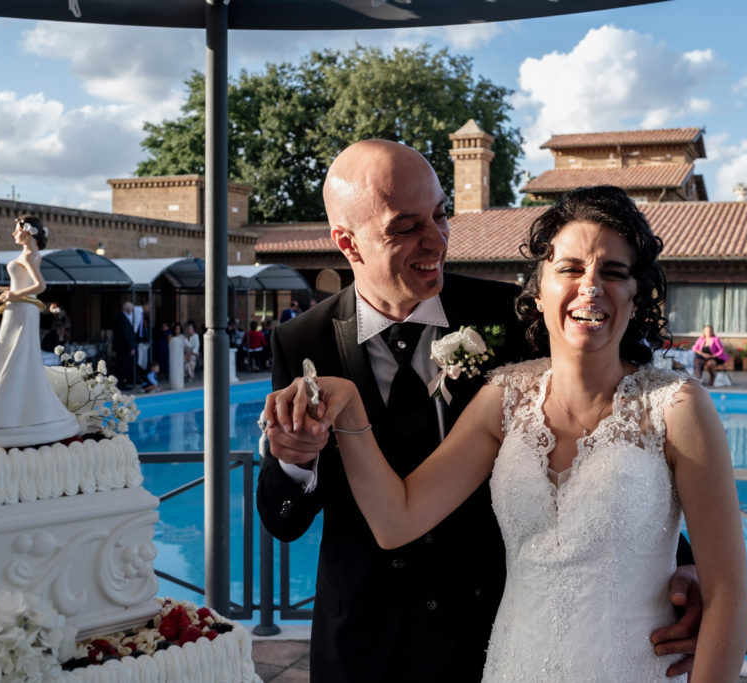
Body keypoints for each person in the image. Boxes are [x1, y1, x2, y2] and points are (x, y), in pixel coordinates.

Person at [256, 140, 702, 682]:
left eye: (441, 216)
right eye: (406, 227)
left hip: (494, 634)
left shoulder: (511, 315)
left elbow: (601, 431)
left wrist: (680, 562)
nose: (436, 240)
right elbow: (283, 521)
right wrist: (295, 463)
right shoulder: (301, 341)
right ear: (347, 242)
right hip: (362, 646)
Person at [0, 215, 79, 444]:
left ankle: (6, 410)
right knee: (8, 353)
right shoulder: (29, 254)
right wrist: (9, 296)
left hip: (22, 307)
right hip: (17, 308)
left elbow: (40, 286)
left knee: (11, 354)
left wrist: (12, 294)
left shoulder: (29, 254)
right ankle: (11, 407)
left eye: (16, 230)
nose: (13, 233)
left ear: (28, 231)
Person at [113, 302, 138, 389]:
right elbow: (125, 334)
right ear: (128, 310)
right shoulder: (122, 319)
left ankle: (124, 382)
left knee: (123, 365)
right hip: (123, 347)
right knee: (123, 365)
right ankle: (122, 384)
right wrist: (131, 347)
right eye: (131, 309)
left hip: (122, 347)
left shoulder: (122, 318)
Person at [168, 322, 186, 390]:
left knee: (179, 370)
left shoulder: (182, 337)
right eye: (176, 328)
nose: (177, 330)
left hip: (180, 357)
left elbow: (187, 345)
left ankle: (180, 384)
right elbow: (169, 346)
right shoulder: (171, 337)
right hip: (173, 357)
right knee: (174, 370)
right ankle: (174, 384)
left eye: (178, 328)